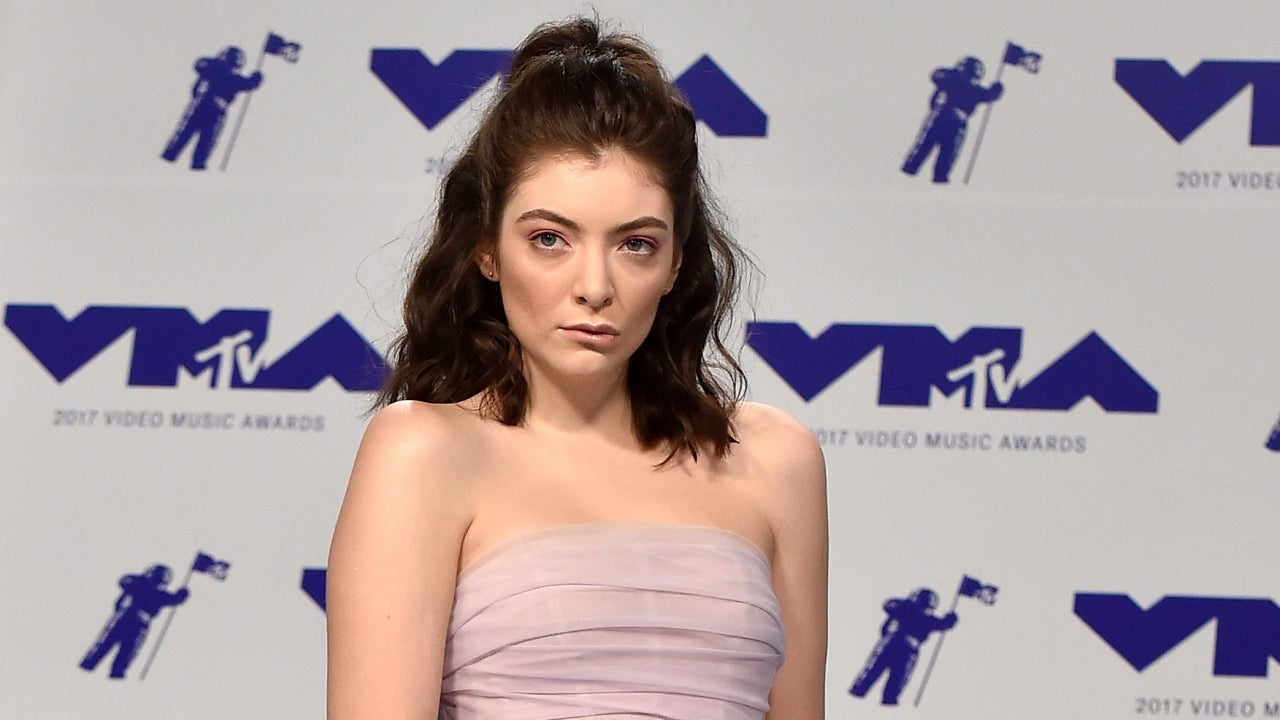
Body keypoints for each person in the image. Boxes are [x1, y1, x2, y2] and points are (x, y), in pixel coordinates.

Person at [326, 16, 828, 720]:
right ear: (487, 249)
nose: (595, 286)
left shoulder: (777, 460)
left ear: (675, 262)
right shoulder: (423, 452)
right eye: (550, 239)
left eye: (635, 244)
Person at [900, 56, 1003, 184]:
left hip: (951, 121)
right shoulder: (953, 79)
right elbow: (936, 75)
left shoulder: (968, 86)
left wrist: (996, 90)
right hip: (943, 117)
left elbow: (988, 95)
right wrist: (995, 91)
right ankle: (911, 175)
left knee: (943, 156)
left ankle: (927, 178)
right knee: (927, 150)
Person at [849, 588, 957, 705]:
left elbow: (941, 624)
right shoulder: (904, 609)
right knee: (871, 674)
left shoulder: (927, 619)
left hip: (907, 651)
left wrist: (949, 620)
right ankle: (856, 697)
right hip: (891, 645)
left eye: (927, 608)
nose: (924, 610)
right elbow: (888, 605)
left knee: (896, 681)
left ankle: (885, 704)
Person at [160, 46, 263, 170]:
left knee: (199, 143)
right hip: (206, 107)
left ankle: (180, 163)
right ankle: (173, 163)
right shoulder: (218, 70)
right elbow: (200, 64)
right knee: (190, 140)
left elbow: (247, 84)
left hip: (209, 109)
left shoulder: (222, 72)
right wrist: (255, 79)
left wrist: (255, 79)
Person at [80, 563, 189, 679]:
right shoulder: (140, 584)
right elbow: (124, 581)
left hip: (133, 623)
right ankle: (90, 670)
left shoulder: (154, 591)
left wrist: (182, 594)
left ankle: (104, 672)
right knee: (108, 649)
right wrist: (182, 594)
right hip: (126, 620)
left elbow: (175, 599)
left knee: (121, 653)